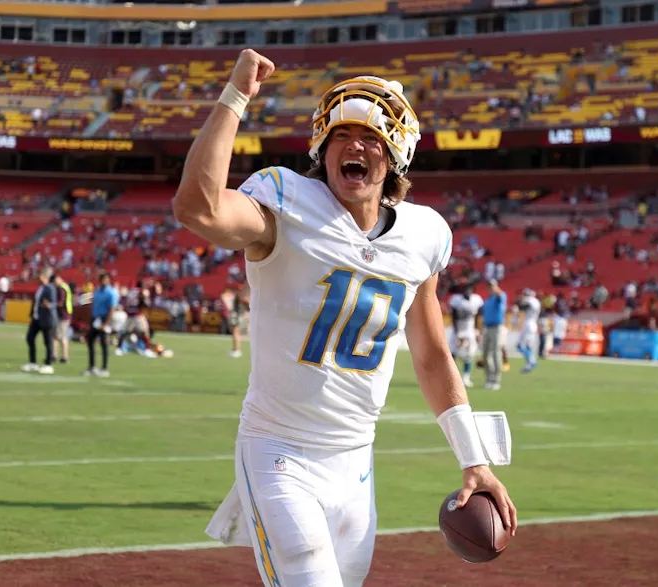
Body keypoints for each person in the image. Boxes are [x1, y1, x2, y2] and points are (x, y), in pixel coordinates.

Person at [173, 49, 517, 587]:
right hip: (277, 448)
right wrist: (235, 96)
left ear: (396, 153)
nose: (354, 145)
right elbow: (198, 206)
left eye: (371, 137)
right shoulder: (285, 203)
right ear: (321, 147)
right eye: (341, 135)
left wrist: (474, 460)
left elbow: (430, 356)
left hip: (356, 461)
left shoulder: (422, 235)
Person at [22, 267, 57, 375]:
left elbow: (51, 302)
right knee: (30, 337)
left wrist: (48, 304)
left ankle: (48, 364)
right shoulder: (41, 287)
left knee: (47, 341)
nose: (38, 277)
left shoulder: (50, 288)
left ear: (45, 276)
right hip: (37, 318)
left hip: (47, 318)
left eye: (41, 275)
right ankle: (33, 362)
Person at [448, 283, 484, 388]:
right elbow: (454, 317)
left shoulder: (476, 300)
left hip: (470, 330)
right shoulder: (456, 300)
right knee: (453, 354)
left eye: (470, 289)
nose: (467, 292)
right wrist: (457, 333)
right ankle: (449, 378)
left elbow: (478, 316)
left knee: (469, 355)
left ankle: (466, 378)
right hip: (458, 330)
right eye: (465, 290)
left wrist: (478, 330)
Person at [84, 272, 118, 378]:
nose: (103, 282)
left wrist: (106, 324)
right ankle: (92, 366)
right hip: (96, 319)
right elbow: (93, 303)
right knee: (90, 340)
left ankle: (104, 368)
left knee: (104, 344)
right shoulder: (97, 291)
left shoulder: (111, 293)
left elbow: (112, 309)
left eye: (105, 280)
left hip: (104, 318)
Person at [480, 279, 509, 389]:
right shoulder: (487, 300)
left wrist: (496, 289)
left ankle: (496, 379)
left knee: (496, 352)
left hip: (497, 327)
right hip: (487, 327)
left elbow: (500, 296)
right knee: (486, 353)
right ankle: (489, 378)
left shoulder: (499, 297)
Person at [516, 288, 541, 373]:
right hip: (533, 324)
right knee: (528, 347)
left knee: (520, 346)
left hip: (528, 324)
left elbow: (523, 307)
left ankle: (532, 361)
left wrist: (520, 301)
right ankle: (528, 365)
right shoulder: (536, 301)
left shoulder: (530, 301)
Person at [53, 273, 73, 363]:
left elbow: (60, 302)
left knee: (57, 336)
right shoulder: (65, 286)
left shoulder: (61, 288)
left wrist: (51, 305)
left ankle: (58, 355)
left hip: (62, 315)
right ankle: (62, 356)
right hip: (66, 314)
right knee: (61, 336)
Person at [229, 282, 250, 359]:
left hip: (238, 313)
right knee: (236, 331)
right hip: (240, 312)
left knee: (236, 331)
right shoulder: (244, 287)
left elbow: (244, 299)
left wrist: (247, 308)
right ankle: (236, 349)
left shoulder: (242, 288)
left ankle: (237, 350)